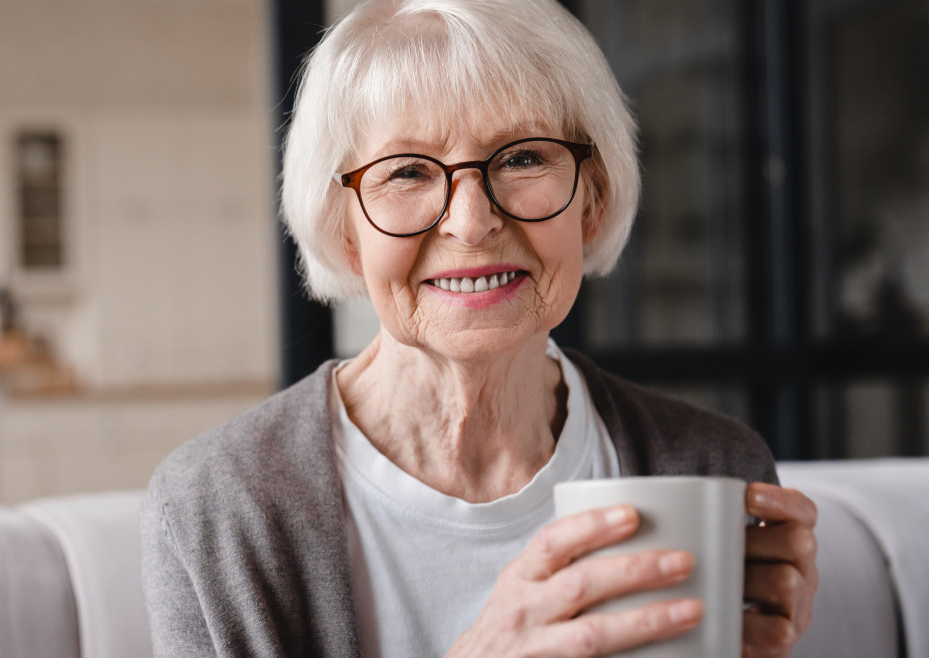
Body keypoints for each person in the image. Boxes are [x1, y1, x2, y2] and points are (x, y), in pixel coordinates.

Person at [141, 0, 818, 655]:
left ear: (593, 199)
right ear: (344, 231)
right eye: (406, 171)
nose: (471, 222)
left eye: (522, 157)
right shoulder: (218, 508)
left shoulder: (713, 467)